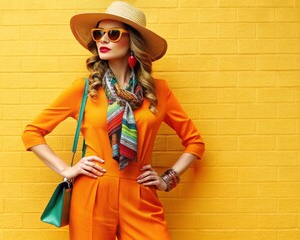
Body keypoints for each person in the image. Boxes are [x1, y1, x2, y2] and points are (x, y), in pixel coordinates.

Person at [22, 1, 205, 239]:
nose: (103, 40)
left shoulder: (158, 91)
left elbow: (195, 143)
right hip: (92, 191)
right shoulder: (86, 89)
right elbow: (32, 132)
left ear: (133, 42)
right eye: (98, 34)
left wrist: (167, 179)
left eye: (113, 33)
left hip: (140, 192)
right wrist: (67, 170)